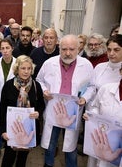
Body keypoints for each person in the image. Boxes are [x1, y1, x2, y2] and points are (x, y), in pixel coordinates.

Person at [36, 34, 94, 167]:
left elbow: (92, 86)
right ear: (59, 48)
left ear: (78, 48)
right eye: (64, 49)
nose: (68, 53)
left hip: (73, 112)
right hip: (53, 110)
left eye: (72, 49)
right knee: (50, 143)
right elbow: (39, 80)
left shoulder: (86, 65)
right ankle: (48, 164)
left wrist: (85, 98)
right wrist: (44, 91)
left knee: (70, 146)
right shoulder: (49, 63)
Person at [0, 55, 45, 167]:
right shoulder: (8, 85)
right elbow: (2, 109)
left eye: (29, 68)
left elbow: (41, 104)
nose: (26, 71)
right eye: (23, 68)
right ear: (17, 69)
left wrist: (38, 113)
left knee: (22, 158)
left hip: (28, 130)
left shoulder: (36, 85)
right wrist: (3, 130)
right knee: (8, 157)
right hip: (12, 129)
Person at [86, 34, 122, 166]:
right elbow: (92, 88)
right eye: (109, 49)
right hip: (98, 120)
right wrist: (90, 112)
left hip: (117, 126)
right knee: (95, 155)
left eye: (116, 50)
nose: (112, 53)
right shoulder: (100, 67)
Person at [0, 39, 16, 161]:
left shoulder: (18, 63)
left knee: (11, 123)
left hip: (13, 101)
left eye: (7, 48)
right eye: (3, 48)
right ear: (0, 50)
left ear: (12, 48)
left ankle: (9, 146)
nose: (5, 51)